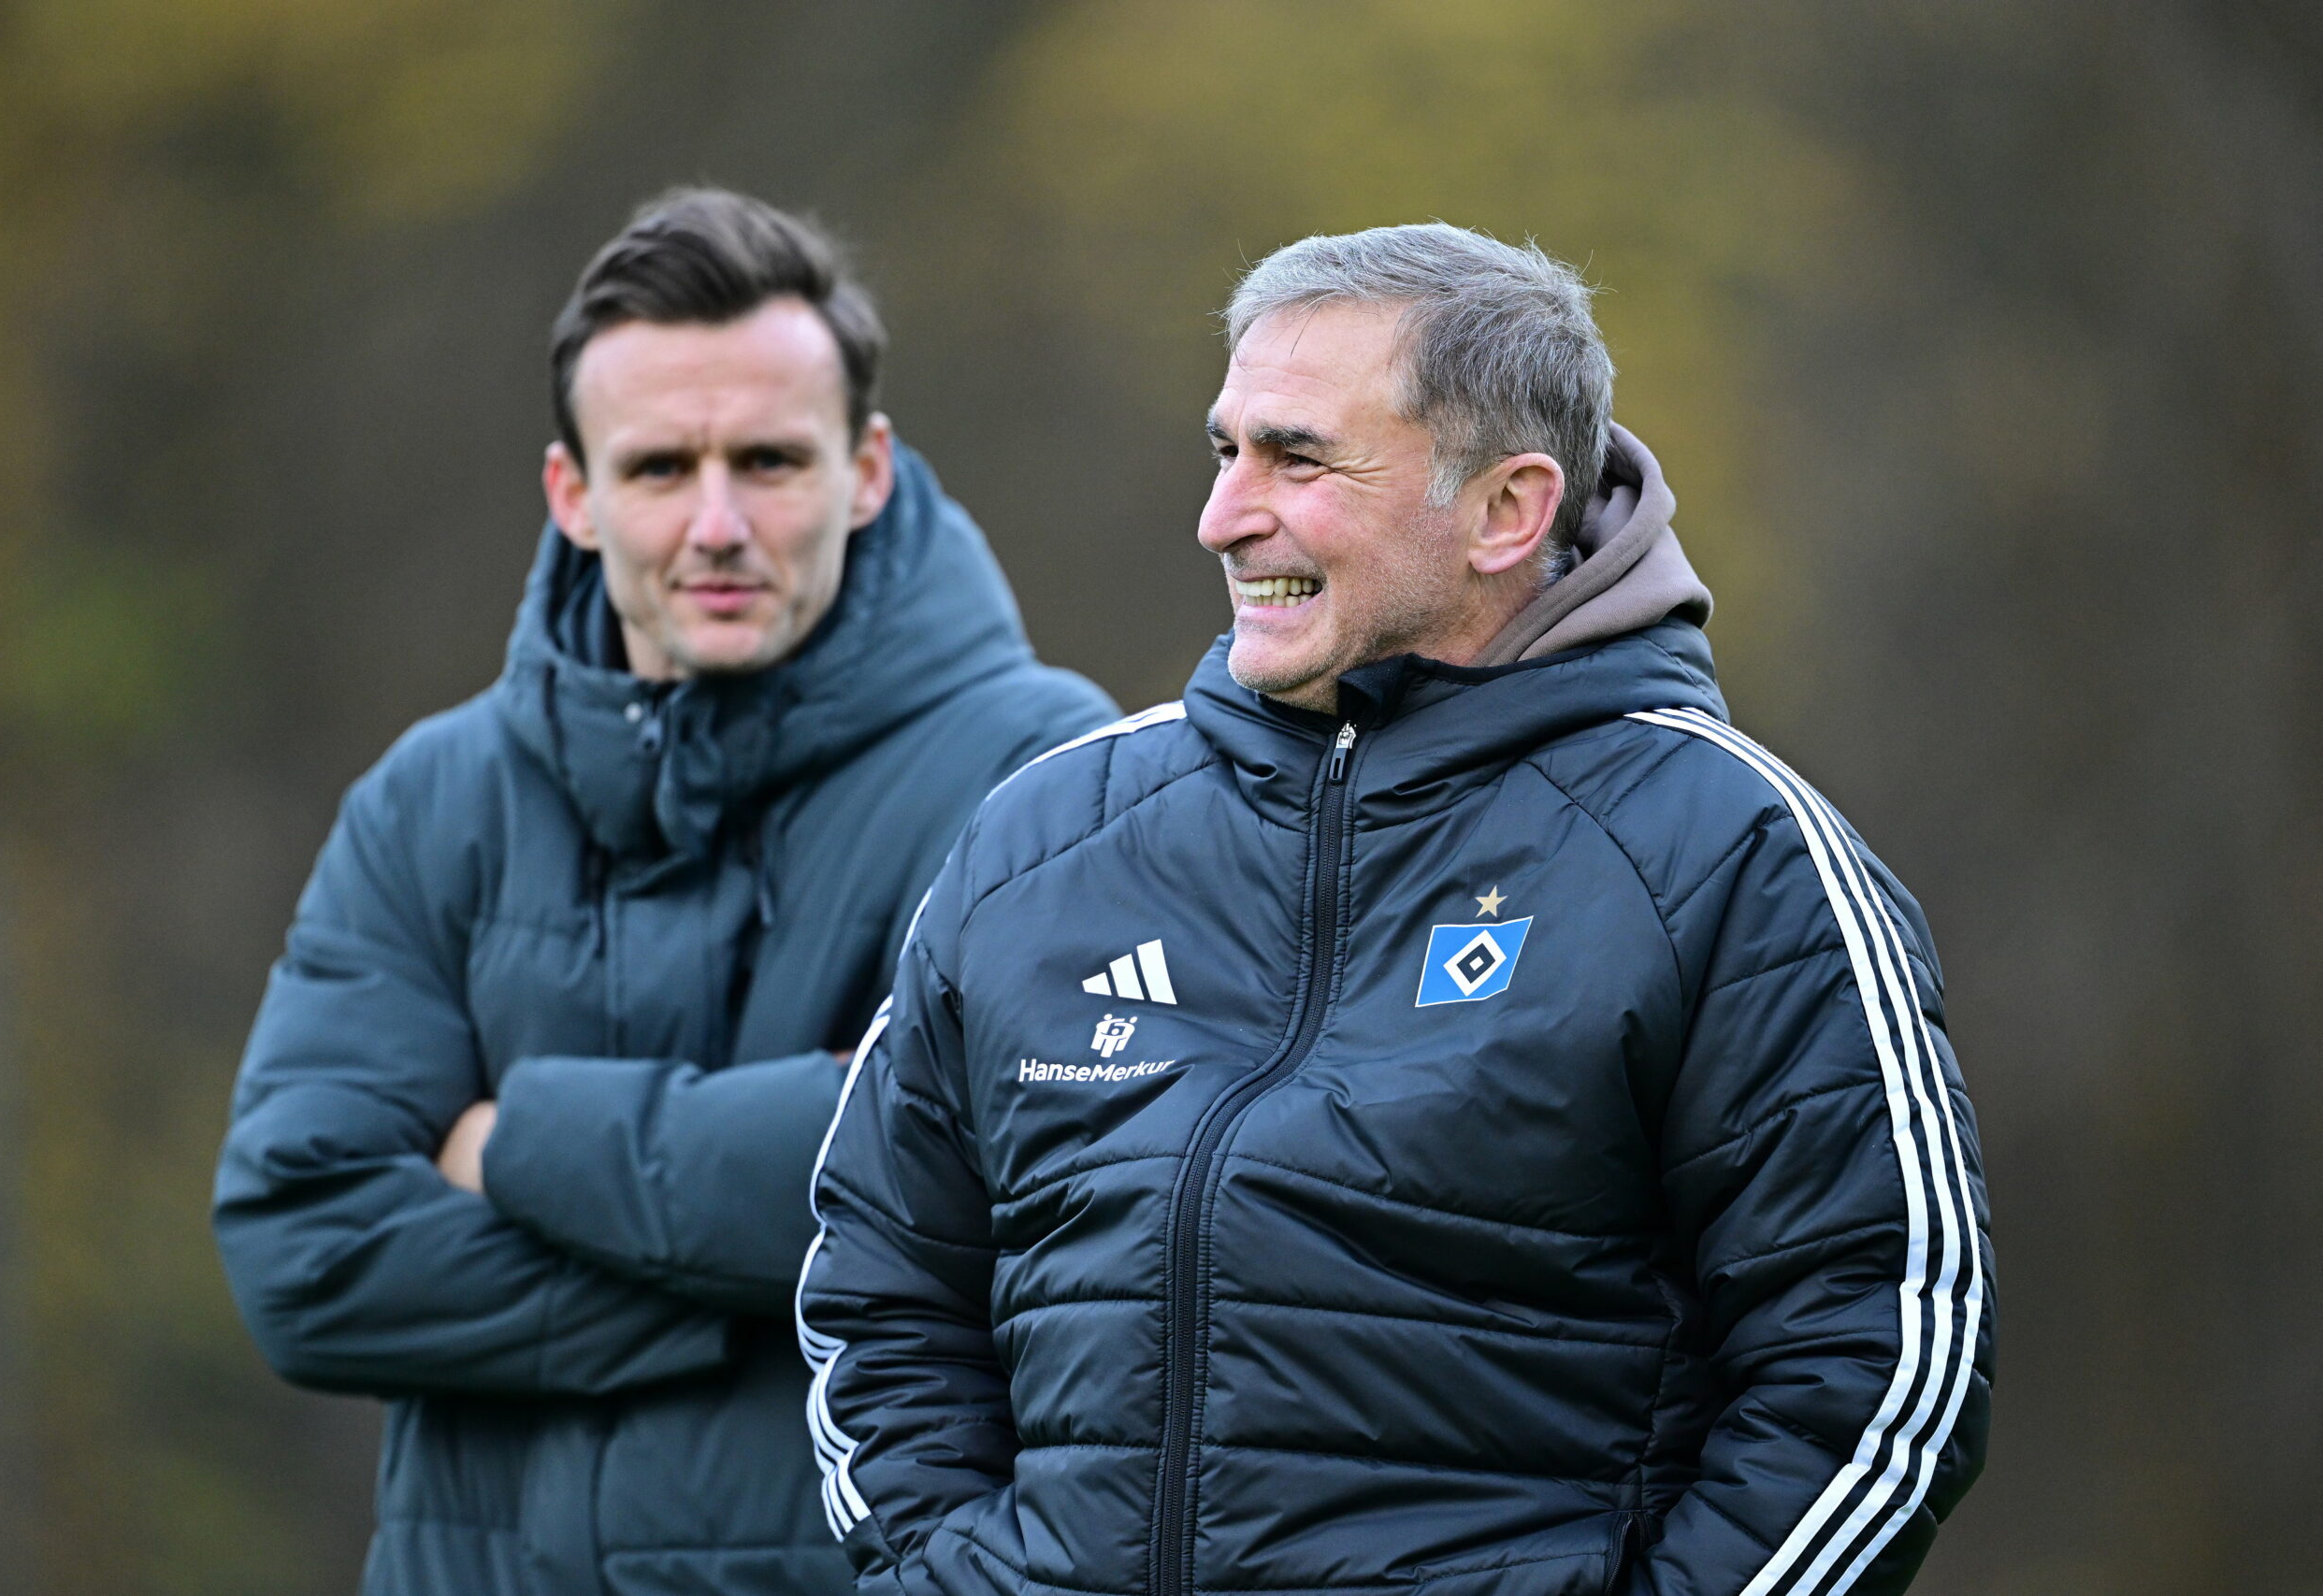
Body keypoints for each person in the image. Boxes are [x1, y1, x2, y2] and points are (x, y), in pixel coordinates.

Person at [800, 223, 1992, 1596]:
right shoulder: (1043, 835)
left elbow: (1881, 1367)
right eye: (1225, 449)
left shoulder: (1734, 856)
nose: (1225, 514)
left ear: (1506, 510)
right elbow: (877, 1298)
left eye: (1298, 459)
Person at [212, 188, 1116, 1596]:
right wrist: (749, 1283)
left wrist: (517, 1146)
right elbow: (307, 1258)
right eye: (657, 469)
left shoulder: (1042, 774)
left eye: (768, 460)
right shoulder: (430, 796)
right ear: (571, 493)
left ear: (867, 468)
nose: (715, 524)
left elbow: (993, 1186)